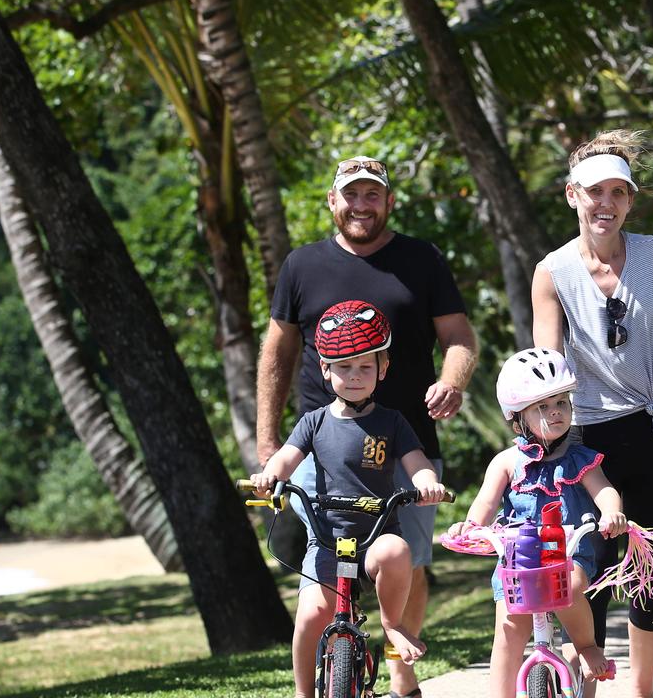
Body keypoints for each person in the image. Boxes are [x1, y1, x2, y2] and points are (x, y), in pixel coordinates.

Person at [257, 155, 477, 698]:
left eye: (371, 195)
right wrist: (269, 443)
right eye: (350, 195)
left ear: (388, 202)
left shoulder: (421, 259)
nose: (360, 205)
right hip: (321, 449)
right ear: (333, 202)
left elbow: (459, 337)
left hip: (408, 448)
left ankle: (401, 664)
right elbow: (277, 349)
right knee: (321, 579)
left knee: (410, 564)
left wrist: (453, 380)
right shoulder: (302, 266)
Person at [532, 129, 653, 698]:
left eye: (619, 193)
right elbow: (549, 365)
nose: (607, 204)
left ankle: (643, 689)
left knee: (649, 578)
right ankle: (585, 686)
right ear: (572, 195)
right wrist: (541, 434)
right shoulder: (553, 271)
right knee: (582, 572)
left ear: (631, 201)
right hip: (585, 440)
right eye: (596, 192)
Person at [250, 300, 447, 698]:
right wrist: (270, 476)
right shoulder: (314, 422)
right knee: (309, 617)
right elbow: (287, 458)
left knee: (396, 552)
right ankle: (304, 693)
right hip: (326, 541)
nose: (354, 376)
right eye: (343, 367)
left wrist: (428, 484)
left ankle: (393, 624)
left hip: (375, 535)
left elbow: (417, 461)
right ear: (325, 369)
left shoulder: (392, 421)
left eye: (365, 367)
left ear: (382, 369)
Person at [447, 348, 627, 697]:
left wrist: (611, 512)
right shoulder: (506, 461)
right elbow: (484, 503)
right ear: (517, 418)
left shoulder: (580, 459)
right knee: (509, 626)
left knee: (571, 587)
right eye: (542, 407)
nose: (555, 411)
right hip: (516, 557)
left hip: (567, 552)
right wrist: (471, 527)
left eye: (560, 402)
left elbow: (604, 490)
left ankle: (587, 644)